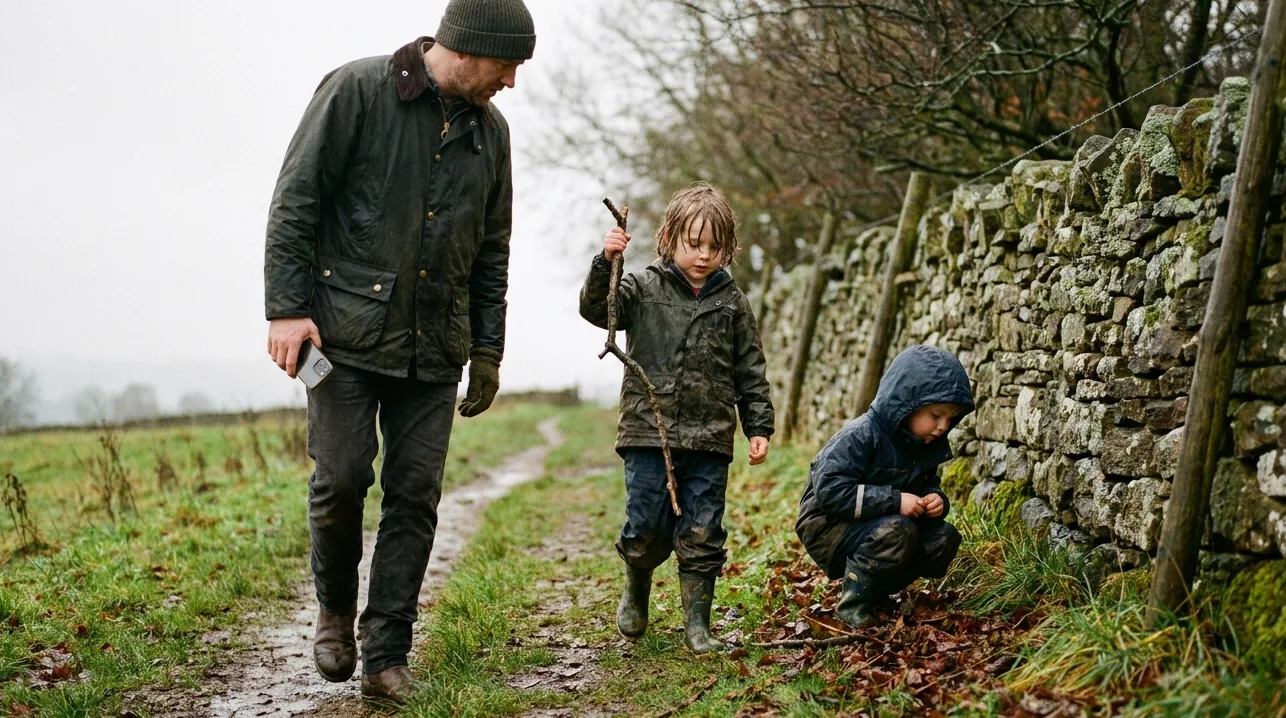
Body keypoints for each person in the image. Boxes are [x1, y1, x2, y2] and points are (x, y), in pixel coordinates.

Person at [262, 0, 535, 704]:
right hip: (343, 337)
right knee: (342, 480)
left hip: (434, 348)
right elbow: (296, 200)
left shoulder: (492, 136)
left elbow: (492, 251)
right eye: (508, 67)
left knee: (415, 498)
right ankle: (333, 613)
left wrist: (488, 350)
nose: (511, 83)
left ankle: (387, 654)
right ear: (470, 48)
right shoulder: (356, 90)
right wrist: (287, 310)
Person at [579, 182, 775, 655]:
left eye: (715, 247)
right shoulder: (642, 286)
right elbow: (596, 308)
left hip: (709, 438)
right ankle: (637, 589)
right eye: (694, 244)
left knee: (704, 531)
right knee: (646, 526)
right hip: (649, 430)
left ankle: (697, 626)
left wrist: (759, 426)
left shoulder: (731, 301)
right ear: (669, 239)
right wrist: (606, 263)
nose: (704, 255)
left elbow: (750, 367)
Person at [795, 345, 975, 629]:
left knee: (943, 539)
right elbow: (830, 490)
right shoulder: (860, 436)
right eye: (936, 415)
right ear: (907, 403)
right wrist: (895, 501)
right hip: (828, 526)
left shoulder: (924, 445)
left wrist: (935, 500)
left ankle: (874, 591)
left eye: (950, 419)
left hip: (880, 524)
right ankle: (853, 607)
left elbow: (929, 483)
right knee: (897, 530)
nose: (943, 426)